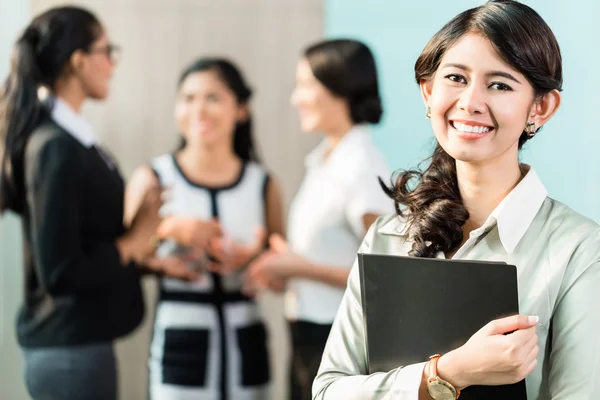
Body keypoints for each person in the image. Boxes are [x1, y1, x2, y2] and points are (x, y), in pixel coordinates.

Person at [312, 1, 600, 399]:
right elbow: (328, 391)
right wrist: (448, 372)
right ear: (428, 92)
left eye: (499, 84)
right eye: (456, 78)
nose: (470, 102)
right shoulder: (390, 234)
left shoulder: (579, 250)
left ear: (541, 107)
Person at [0, 6, 191, 400]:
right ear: (79, 61)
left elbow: (83, 242)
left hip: (77, 347)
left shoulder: (71, 141)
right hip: (69, 352)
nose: (113, 64)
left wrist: (145, 260)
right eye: (108, 51)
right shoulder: (56, 146)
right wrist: (132, 242)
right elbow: (61, 271)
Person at [124, 57, 285, 400]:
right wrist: (166, 231)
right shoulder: (152, 179)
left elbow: (282, 274)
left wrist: (254, 259)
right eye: (188, 98)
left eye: (213, 98)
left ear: (241, 110)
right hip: (181, 343)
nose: (199, 109)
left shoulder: (263, 183)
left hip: (247, 343)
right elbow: (122, 259)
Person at [246, 39, 393, 400]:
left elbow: (388, 275)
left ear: (340, 87)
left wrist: (299, 267)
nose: (296, 98)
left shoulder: (360, 166)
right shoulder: (326, 159)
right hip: (307, 336)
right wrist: (284, 264)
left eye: (306, 85)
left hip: (338, 342)